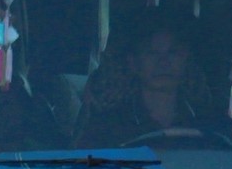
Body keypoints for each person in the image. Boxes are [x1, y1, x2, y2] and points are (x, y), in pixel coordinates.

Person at [77, 18, 211, 148]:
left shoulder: (207, 122)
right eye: (152, 53)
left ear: (185, 59)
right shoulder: (107, 126)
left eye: (172, 52)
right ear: (133, 63)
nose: (163, 63)